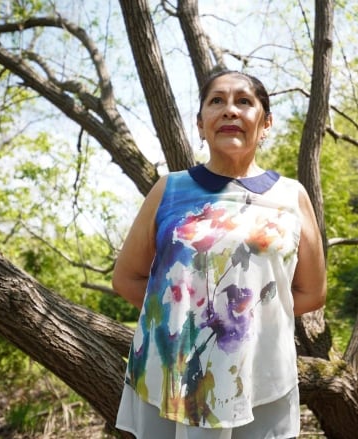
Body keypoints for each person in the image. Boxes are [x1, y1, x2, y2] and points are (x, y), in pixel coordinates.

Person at [112, 69, 327, 439]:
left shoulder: (292, 196)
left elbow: (312, 292)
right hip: (175, 377)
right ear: (200, 124)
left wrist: (249, 324)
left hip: (259, 376)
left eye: (244, 101)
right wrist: (184, 324)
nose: (230, 110)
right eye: (217, 101)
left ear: (266, 123)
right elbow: (126, 278)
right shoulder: (170, 189)